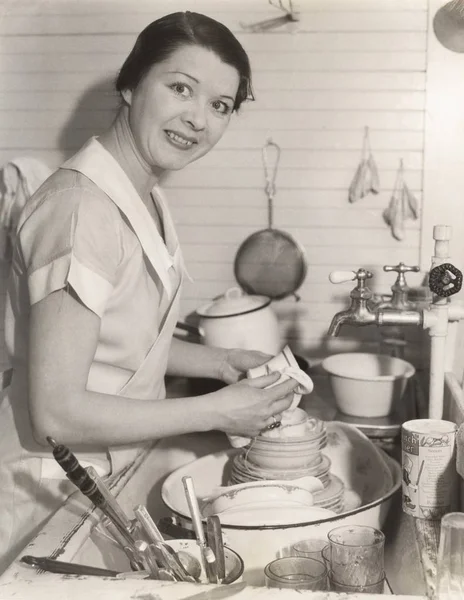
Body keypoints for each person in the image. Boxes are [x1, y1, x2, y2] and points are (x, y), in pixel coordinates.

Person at [0, 11, 298, 573]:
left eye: (220, 105)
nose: (197, 119)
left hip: (100, 478)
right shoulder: (79, 209)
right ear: (131, 84)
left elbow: (118, 340)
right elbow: (56, 413)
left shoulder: (143, 197)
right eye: (180, 88)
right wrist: (214, 410)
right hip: (44, 492)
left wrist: (222, 362)